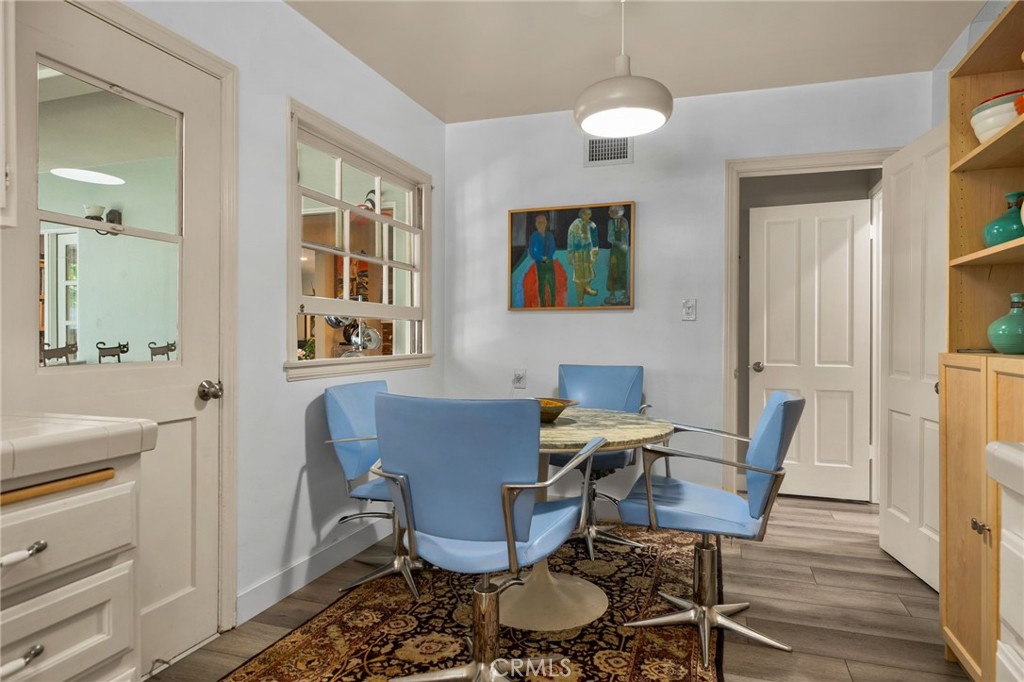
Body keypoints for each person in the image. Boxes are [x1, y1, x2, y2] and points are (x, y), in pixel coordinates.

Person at [567, 207, 598, 306]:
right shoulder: (575, 225)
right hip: (578, 253)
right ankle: (580, 299)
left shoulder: (592, 225)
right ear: (581, 214)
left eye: (589, 214)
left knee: (589, 273)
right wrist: (570, 254)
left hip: (588, 252)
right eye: (585, 214)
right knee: (579, 278)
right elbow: (570, 240)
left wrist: (595, 252)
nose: (587, 217)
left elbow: (595, 240)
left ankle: (587, 288)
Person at [528, 213, 557, 307]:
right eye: (539, 223)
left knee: (552, 286)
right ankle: (543, 306)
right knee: (542, 286)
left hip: (549, 263)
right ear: (536, 224)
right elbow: (532, 251)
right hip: (540, 264)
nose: (541, 225)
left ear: (546, 223)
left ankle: (553, 305)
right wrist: (540, 258)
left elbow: (552, 248)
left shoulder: (550, 235)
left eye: (543, 223)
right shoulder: (534, 236)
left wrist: (547, 257)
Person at [605, 205, 629, 304]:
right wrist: (617, 241)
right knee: (613, 270)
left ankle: (624, 294)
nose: (609, 213)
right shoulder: (611, 222)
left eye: (611, 211)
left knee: (622, 269)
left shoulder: (624, 222)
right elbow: (610, 237)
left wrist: (620, 242)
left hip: (622, 250)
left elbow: (625, 235)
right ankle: (612, 295)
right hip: (615, 249)